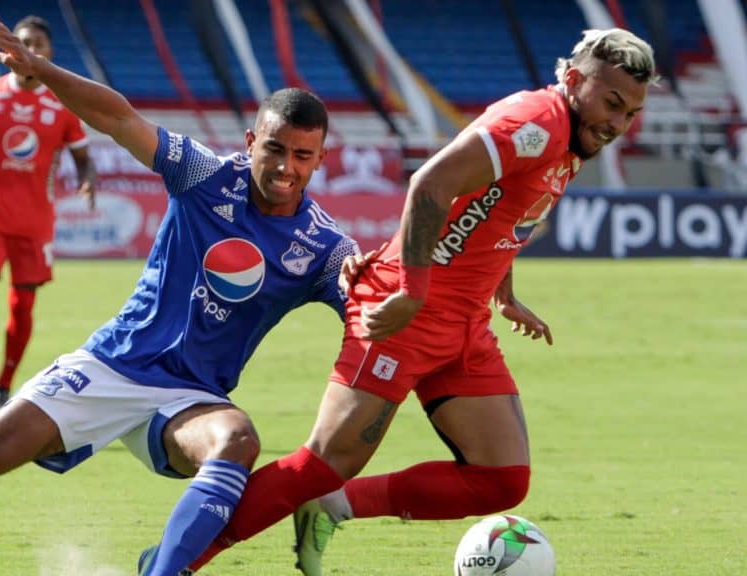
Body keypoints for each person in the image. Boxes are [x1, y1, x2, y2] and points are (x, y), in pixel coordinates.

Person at [0, 14, 358, 576]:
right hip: (114, 364)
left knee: (236, 440)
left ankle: (164, 569)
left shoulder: (325, 246)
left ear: (321, 158)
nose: (286, 167)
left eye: (302, 156)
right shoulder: (206, 175)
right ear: (251, 142)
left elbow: (368, 305)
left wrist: (376, 288)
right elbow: (118, 117)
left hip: (190, 399)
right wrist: (41, 70)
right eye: (274, 149)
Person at [186, 28, 657, 575]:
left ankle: (333, 507)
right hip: (407, 310)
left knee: (501, 477)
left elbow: (497, 212)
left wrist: (503, 290)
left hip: (464, 320)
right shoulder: (537, 124)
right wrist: (413, 290)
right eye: (613, 103)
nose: (618, 123)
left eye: (631, 113)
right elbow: (430, 185)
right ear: (575, 81)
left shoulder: (572, 136)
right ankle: (179, 559)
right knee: (326, 461)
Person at [0, 15, 98, 412]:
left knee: (23, 305)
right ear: (6, 49)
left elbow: (84, 158)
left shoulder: (62, 104)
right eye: (22, 41)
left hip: (35, 222)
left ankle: (3, 384)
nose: (29, 49)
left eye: (37, 43)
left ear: (48, 53)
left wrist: (88, 179)